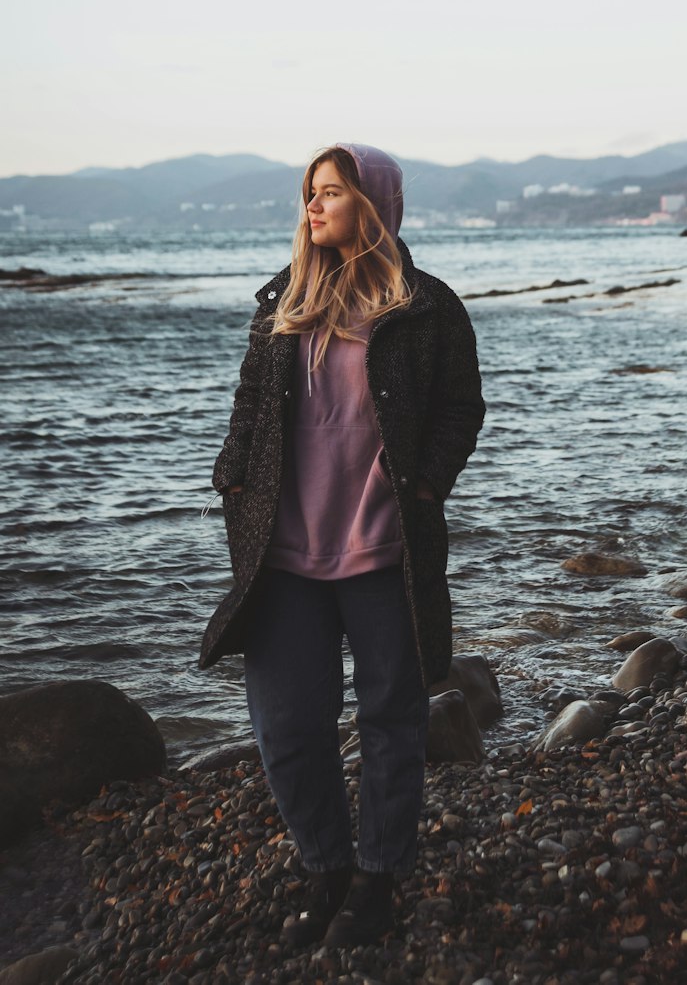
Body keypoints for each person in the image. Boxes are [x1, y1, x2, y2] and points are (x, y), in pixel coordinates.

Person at [199, 142, 485, 949]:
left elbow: (462, 409)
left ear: (376, 204)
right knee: (287, 726)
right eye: (309, 193)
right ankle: (326, 867)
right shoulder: (283, 304)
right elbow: (249, 410)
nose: (312, 206)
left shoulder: (428, 308)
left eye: (330, 192)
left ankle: (379, 879)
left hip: (383, 550)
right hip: (282, 556)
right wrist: (234, 481)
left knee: (393, 720)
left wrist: (425, 485)